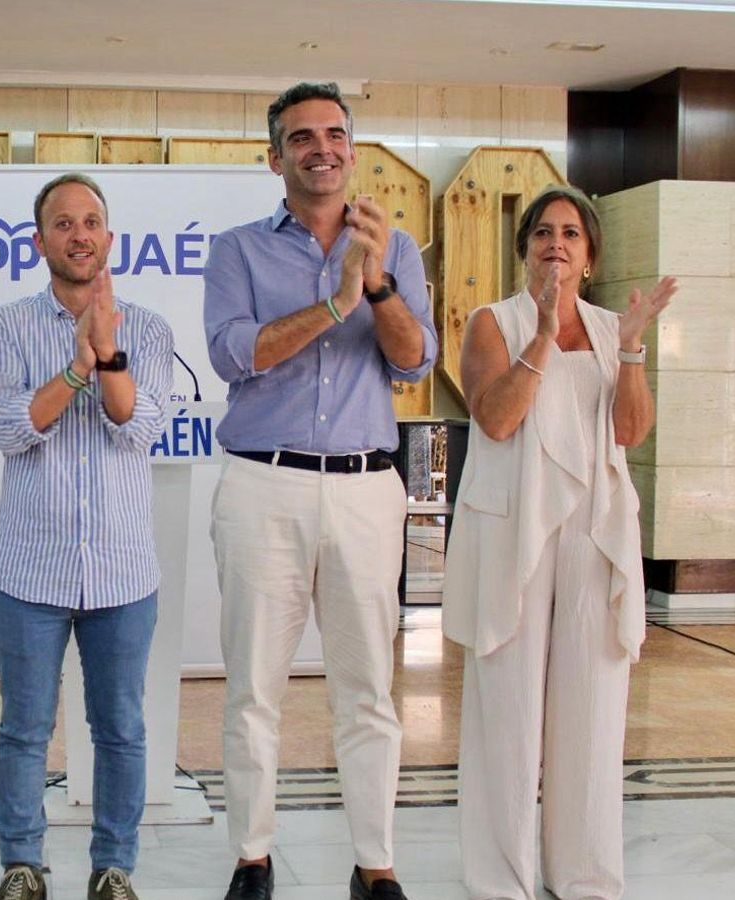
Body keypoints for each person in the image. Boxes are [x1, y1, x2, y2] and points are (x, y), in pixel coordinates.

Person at [202, 81, 438, 900]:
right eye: (301, 137)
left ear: (352, 147)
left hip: (368, 487)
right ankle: (252, 858)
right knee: (254, 690)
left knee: (369, 690)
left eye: (334, 133)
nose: (322, 147)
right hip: (262, 484)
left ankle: (375, 866)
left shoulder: (397, 247)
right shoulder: (237, 250)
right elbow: (235, 354)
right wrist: (333, 302)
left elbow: (413, 361)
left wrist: (373, 285)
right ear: (276, 157)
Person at [443, 184, 675, 900]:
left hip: (594, 532)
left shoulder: (613, 331)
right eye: (543, 232)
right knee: (507, 714)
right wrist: (544, 332)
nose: (556, 244)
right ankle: (500, 880)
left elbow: (631, 432)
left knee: (594, 714)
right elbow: (498, 419)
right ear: (524, 252)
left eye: (571, 234)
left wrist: (632, 348)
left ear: (590, 254)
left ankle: (585, 876)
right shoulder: (494, 321)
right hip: (515, 526)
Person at [0, 173, 175, 900]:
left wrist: (108, 352)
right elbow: (9, 429)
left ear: (109, 239)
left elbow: (139, 425)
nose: (79, 234)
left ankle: (113, 866)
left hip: (122, 573)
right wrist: (75, 366)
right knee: (25, 730)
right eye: (63, 223)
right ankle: (21, 865)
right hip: (31, 569)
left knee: (120, 728)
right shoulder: (6, 326)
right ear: (39, 242)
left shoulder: (148, 330)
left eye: (91, 222)